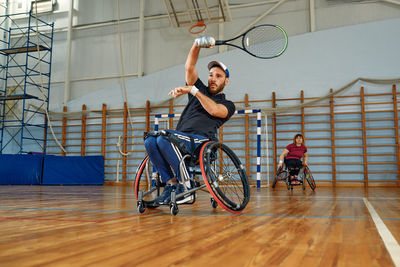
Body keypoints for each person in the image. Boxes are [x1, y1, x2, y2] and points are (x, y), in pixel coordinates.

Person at [144, 36, 236, 204]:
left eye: (218, 76)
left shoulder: (228, 104)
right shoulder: (199, 88)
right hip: (179, 139)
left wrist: (193, 91)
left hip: (202, 143)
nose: (213, 79)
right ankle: (171, 185)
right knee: (150, 140)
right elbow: (190, 66)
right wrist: (196, 44)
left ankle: (186, 187)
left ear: (226, 81)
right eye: (211, 75)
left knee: (165, 137)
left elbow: (215, 110)